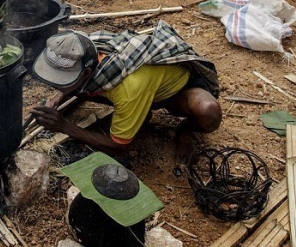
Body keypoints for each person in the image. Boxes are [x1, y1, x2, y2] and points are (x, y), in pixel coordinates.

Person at [30, 22, 222, 161]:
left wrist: (64, 126)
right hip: (139, 86)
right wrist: (56, 99)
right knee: (82, 88)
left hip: (175, 91)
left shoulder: (127, 88)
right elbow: (75, 80)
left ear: (88, 72)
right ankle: (139, 114)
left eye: (61, 81)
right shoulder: (85, 45)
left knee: (209, 111)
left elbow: (120, 146)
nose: (57, 86)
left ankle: (185, 129)